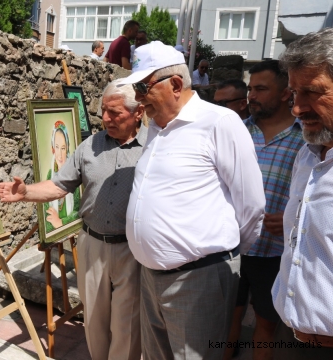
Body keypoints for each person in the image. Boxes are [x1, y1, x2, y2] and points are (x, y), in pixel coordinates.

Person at [120, 41, 265, 359]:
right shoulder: (156, 128)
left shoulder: (219, 122)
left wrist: (218, 257)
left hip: (198, 281)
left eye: (143, 87)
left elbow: (251, 205)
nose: (138, 97)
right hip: (151, 277)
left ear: (174, 84)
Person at [0, 80, 147, 360]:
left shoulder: (155, 147)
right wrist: (26, 192)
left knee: (128, 325)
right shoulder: (91, 146)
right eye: (103, 111)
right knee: (95, 322)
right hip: (93, 245)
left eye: (115, 112)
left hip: (133, 251)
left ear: (138, 112)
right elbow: (59, 185)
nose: (106, 119)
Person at [224, 60, 304, 360]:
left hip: (275, 252)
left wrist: (290, 220)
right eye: (250, 89)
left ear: (285, 93)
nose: (251, 96)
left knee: (267, 325)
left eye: (261, 89)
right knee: (227, 319)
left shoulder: (305, 138)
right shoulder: (238, 132)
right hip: (230, 247)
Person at [271, 27, 333, 359]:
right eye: (295, 92)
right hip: (291, 338)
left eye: (312, 91)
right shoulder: (307, 156)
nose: (297, 108)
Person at [43, 121, 81, 232]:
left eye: (63, 148)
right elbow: (46, 215)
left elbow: (79, 212)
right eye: (57, 147)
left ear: (67, 149)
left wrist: (61, 223)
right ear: (53, 149)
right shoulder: (50, 175)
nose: (59, 154)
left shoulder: (74, 174)